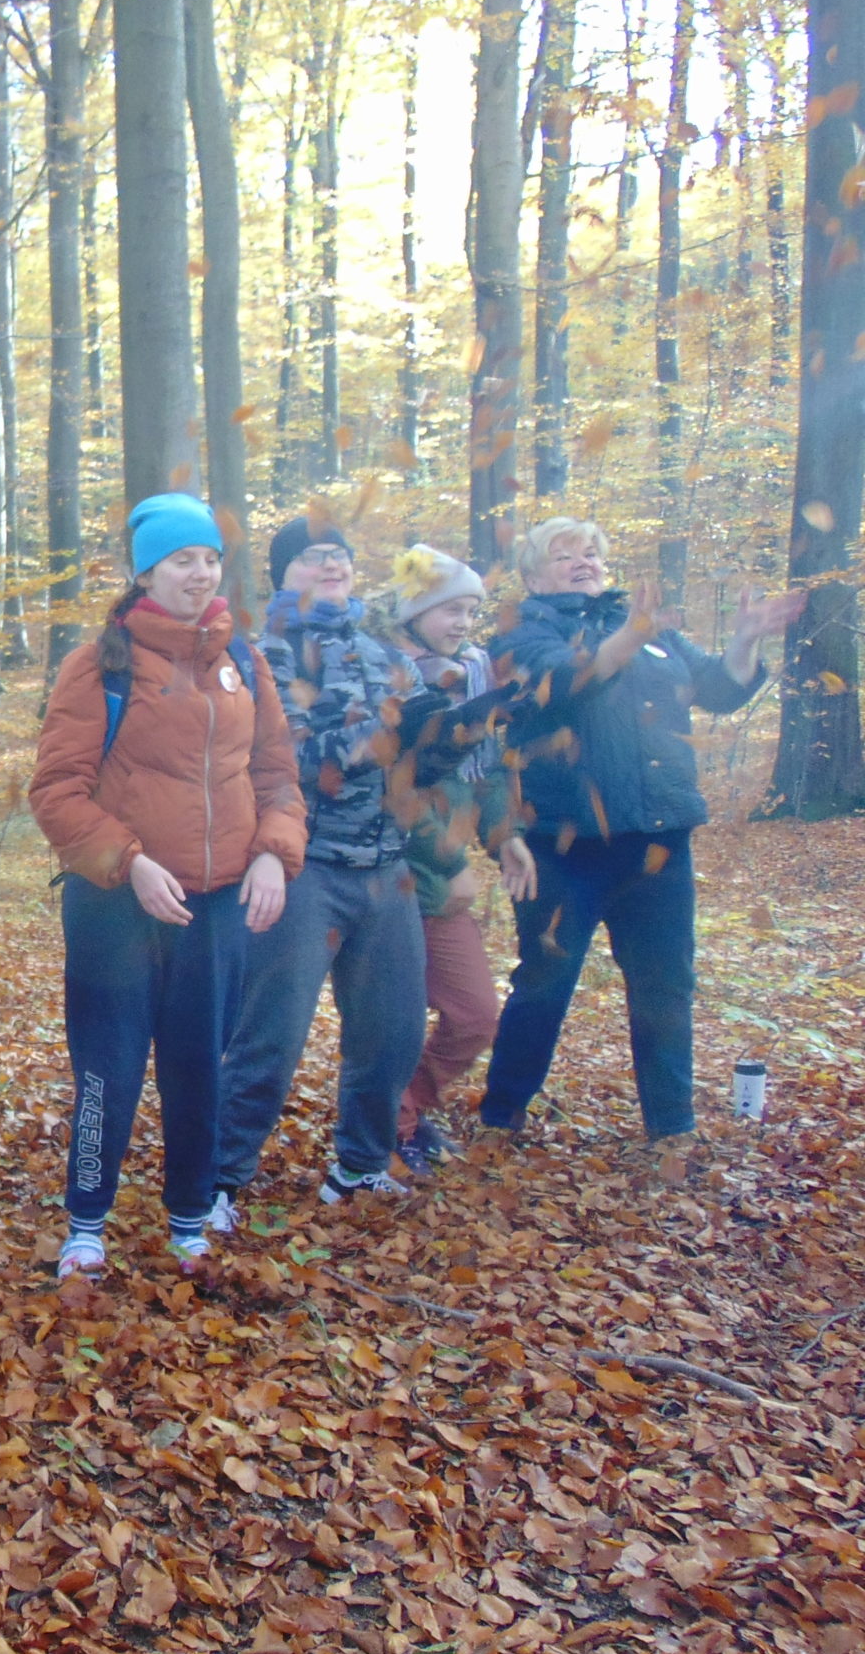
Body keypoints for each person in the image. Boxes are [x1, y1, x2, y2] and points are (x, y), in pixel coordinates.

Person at [28, 495, 307, 1281]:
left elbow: (278, 775)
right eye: (182, 559)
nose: (200, 572)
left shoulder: (242, 661)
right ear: (146, 572)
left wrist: (271, 856)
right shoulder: (102, 663)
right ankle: (87, 1220)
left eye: (210, 557)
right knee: (104, 1071)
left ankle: (191, 1215)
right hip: (117, 905)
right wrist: (129, 862)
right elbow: (56, 790)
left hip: (215, 906)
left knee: (200, 1064)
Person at [476, 518, 802, 1150]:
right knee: (544, 984)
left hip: (657, 844)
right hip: (564, 848)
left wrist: (746, 637)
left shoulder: (650, 632)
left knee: (665, 985)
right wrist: (631, 634)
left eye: (592, 551)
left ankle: (671, 1129)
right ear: (532, 576)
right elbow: (567, 682)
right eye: (564, 555)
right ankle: (501, 1116)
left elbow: (718, 689)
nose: (583, 562)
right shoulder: (524, 633)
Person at [211, 517, 435, 1219]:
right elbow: (280, 761)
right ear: (284, 573)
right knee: (272, 1033)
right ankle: (214, 1180)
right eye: (314, 557)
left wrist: (448, 736)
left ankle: (361, 1165)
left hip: (387, 866)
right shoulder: (261, 654)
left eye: (341, 554)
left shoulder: (386, 654)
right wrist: (378, 738)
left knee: (393, 1030)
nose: (333, 565)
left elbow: (418, 761)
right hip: (303, 864)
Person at [369, 547, 537, 1171]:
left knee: (473, 1016)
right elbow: (392, 790)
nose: (463, 621)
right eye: (449, 608)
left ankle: (407, 1110)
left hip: (441, 887)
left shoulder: (472, 673)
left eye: (471, 609)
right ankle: (388, 1132)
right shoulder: (391, 678)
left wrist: (504, 837)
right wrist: (448, 859)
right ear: (414, 612)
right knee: (395, 1021)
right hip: (392, 879)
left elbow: (486, 769)